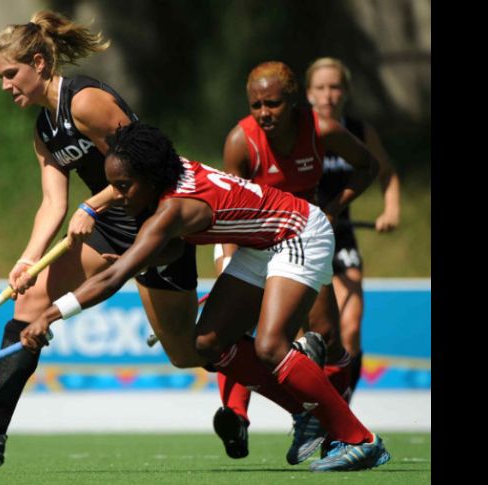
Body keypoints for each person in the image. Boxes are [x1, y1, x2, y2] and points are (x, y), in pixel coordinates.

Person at [20, 122, 391, 472]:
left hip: (298, 233)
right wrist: (139, 258)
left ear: (149, 178)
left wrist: (49, 315)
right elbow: (171, 248)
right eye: (112, 185)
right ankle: (306, 409)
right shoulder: (167, 174)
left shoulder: (172, 208)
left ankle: (361, 440)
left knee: (270, 346)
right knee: (208, 344)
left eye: (123, 186)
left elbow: (113, 278)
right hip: (262, 244)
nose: (116, 196)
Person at [0, 11, 199, 468]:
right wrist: (27, 261)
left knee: (189, 353)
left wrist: (92, 206)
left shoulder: (86, 102)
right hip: (111, 227)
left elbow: (147, 165)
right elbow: (52, 203)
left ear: (38, 63)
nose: (5, 85)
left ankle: (279, 356)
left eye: (10, 74)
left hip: (156, 226)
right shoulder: (44, 131)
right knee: (30, 300)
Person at [213, 61, 382, 464]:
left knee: (329, 339)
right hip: (253, 241)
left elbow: (368, 166)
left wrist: (335, 206)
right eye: (256, 105)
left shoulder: (321, 130)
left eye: (272, 104)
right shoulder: (241, 142)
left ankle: (334, 435)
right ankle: (239, 414)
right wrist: (228, 264)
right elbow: (229, 210)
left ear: (293, 101)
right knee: (229, 335)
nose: (264, 113)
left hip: (305, 239)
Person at [305, 57, 401, 398]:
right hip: (302, 240)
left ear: (344, 92)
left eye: (335, 87)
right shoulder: (299, 131)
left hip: (341, 236)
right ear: (308, 93)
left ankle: (342, 407)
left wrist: (391, 210)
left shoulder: (359, 132)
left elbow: (386, 172)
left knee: (350, 328)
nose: (327, 95)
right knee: (311, 336)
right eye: (320, 88)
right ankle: (312, 408)